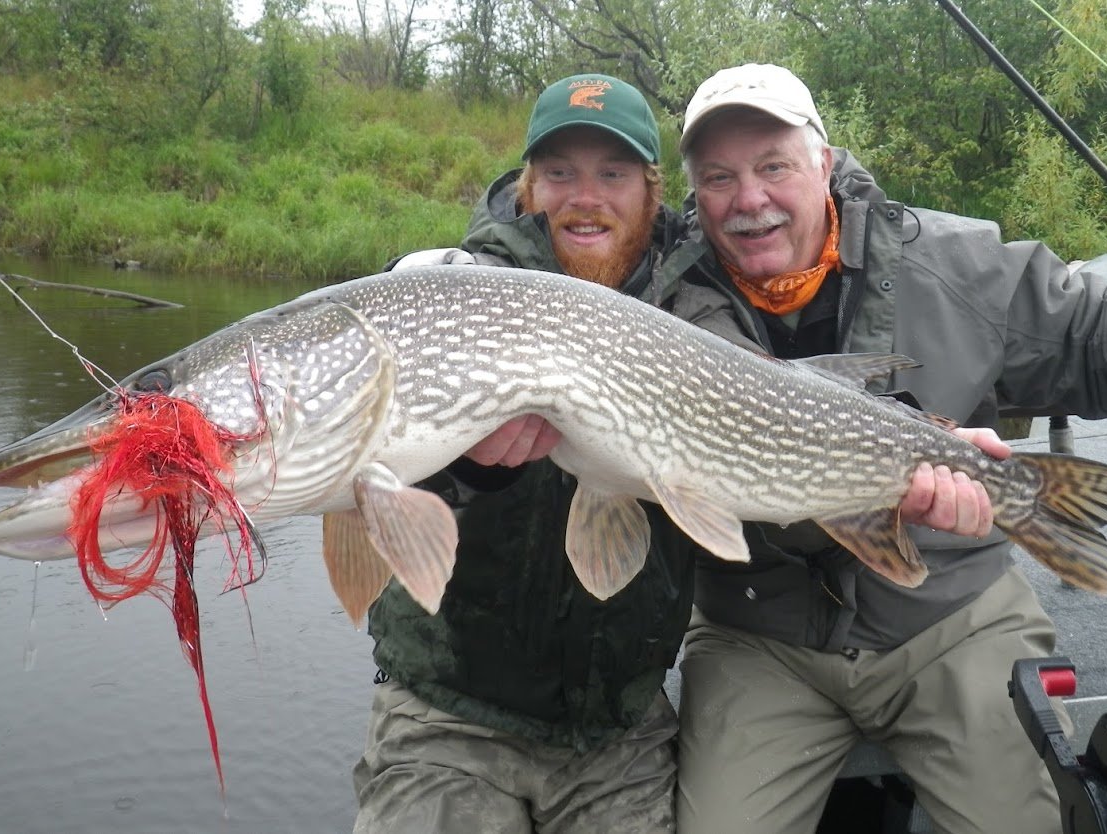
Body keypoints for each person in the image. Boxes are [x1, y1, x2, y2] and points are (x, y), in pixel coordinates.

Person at [353, 71, 1004, 834]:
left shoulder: (700, 308)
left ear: (653, 190)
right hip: (446, 714)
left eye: (613, 173)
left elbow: (777, 412)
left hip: (619, 727)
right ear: (528, 186)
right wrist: (470, 466)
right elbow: (378, 458)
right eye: (560, 173)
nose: (585, 196)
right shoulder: (468, 288)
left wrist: (919, 451)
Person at [666, 62, 1107, 834]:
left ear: (825, 162)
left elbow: (1094, 348)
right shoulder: (661, 300)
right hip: (759, 636)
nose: (749, 200)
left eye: (773, 166)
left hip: (947, 617)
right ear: (696, 192)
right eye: (718, 178)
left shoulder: (953, 263)